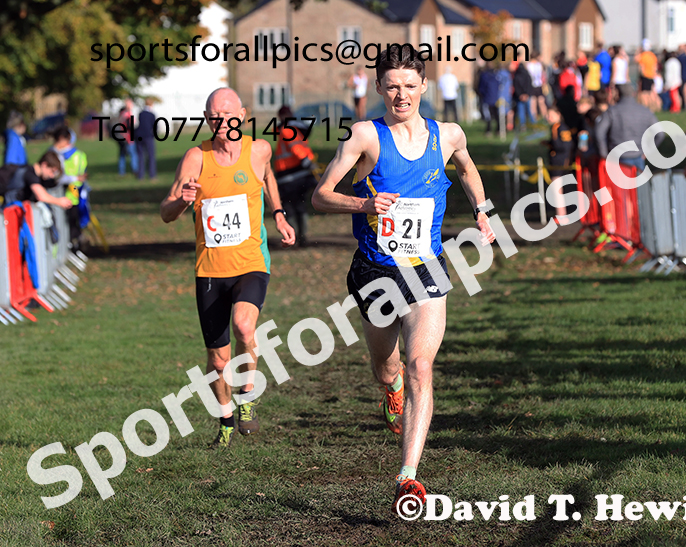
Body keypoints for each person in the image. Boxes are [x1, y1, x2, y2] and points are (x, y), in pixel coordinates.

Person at [311, 45, 495, 513]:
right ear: (378, 87)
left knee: (421, 366)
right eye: (392, 85)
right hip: (375, 273)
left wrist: (482, 211)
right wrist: (364, 204)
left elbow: (468, 169)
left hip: (427, 268)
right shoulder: (364, 137)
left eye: (410, 86)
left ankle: (408, 476)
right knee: (388, 368)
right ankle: (389, 392)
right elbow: (321, 196)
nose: (401, 95)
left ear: (424, 88)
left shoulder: (448, 134)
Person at [159, 87, 296, 449]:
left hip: (252, 261)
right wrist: (182, 202)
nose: (222, 123)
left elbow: (267, 176)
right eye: (214, 117)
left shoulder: (259, 150)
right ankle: (225, 419)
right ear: (207, 120)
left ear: (243, 115)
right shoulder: (195, 158)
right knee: (218, 361)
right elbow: (166, 212)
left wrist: (279, 214)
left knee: (244, 326)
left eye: (228, 115)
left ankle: (247, 395)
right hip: (209, 270)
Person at [273, 105, 318, 246]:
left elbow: (295, 147)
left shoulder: (286, 129)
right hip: (300, 174)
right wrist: (308, 163)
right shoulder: (296, 129)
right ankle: (301, 237)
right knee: (299, 206)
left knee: (291, 207)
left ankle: (295, 238)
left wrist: (306, 161)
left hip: (289, 176)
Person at [594, 83, 662, 171]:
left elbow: (599, 132)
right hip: (638, 156)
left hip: (617, 157)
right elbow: (660, 134)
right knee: (637, 183)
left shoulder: (612, 111)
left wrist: (604, 154)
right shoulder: (645, 111)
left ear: (618, 94)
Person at [51, 126, 88, 247]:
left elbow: (79, 174)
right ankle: (74, 241)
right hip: (65, 192)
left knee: (72, 220)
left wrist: (75, 179)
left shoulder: (76, 155)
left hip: (72, 192)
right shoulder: (54, 153)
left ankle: (75, 242)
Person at [1, 150, 71, 209]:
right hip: (8, 210)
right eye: (52, 171)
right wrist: (59, 201)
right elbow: (41, 196)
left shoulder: (32, 173)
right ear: (44, 165)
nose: (52, 175)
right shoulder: (30, 174)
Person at [136, 98, 157, 180]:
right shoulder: (152, 115)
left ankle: (141, 175)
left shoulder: (140, 113)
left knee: (141, 155)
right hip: (148, 136)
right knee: (151, 156)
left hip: (139, 136)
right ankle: (152, 174)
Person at [635, 39, 659, 110]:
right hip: (652, 76)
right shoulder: (653, 56)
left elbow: (639, 65)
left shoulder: (643, 56)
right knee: (651, 93)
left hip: (645, 76)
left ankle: (645, 108)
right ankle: (654, 107)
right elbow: (655, 67)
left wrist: (638, 51)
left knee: (644, 93)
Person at [478, 64, 501, 136]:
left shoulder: (484, 76)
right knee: (496, 115)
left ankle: (489, 130)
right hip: (495, 98)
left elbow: (481, 88)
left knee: (488, 116)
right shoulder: (496, 76)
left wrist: (482, 94)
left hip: (487, 99)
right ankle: (498, 130)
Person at [118, 100, 138, 176]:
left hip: (122, 137)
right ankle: (135, 170)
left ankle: (121, 171)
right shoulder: (127, 115)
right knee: (133, 154)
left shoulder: (122, 114)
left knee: (122, 154)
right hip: (128, 137)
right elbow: (129, 126)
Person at [513, 61, 534, 130]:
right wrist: (527, 94)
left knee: (521, 111)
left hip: (520, 96)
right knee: (529, 110)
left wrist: (520, 95)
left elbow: (516, 87)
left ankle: (523, 125)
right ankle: (533, 124)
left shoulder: (517, 75)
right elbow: (529, 85)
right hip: (525, 96)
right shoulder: (527, 75)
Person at [527, 52, 547, 120]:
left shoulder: (529, 65)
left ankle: (535, 118)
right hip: (537, 85)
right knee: (540, 102)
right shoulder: (538, 65)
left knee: (534, 102)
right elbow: (543, 75)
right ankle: (543, 117)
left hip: (534, 85)